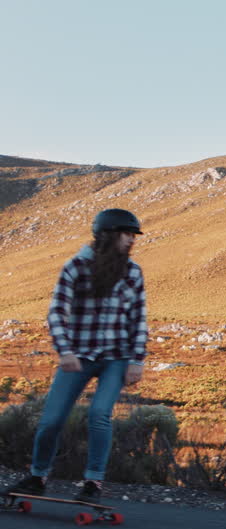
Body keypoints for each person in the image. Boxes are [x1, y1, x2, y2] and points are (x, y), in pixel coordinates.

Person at [3, 208, 148, 503]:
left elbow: (139, 318)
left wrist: (136, 361)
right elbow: (57, 311)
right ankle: (37, 476)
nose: (131, 240)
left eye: (133, 235)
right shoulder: (76, 267)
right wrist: (65, 351)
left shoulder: (133, 272)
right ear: (107, 235)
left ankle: (93, 483)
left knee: (99, 415)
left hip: (116, 358)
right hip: (78, 356)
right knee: (51, 420)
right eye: (126, 234)